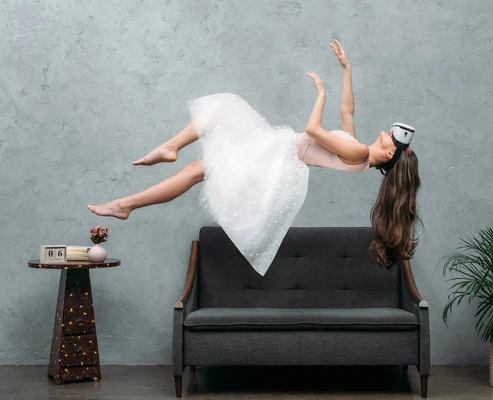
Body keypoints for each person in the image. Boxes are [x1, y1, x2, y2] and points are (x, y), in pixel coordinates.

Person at [88, 40, 421, 275]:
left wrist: (320, 94)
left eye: (392, 136)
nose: (386, 132)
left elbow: (314, 129)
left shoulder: (359, 153)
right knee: (203, 154)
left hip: (279, 157)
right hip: (277, 149)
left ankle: (131, 199)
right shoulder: (358, 152)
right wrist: (346, 69)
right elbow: (347, 110)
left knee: (211, 136)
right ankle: (140, 188)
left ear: (391, 151)